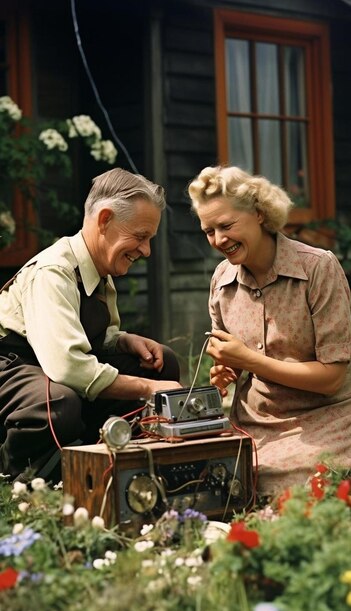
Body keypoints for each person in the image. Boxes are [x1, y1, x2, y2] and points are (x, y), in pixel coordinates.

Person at [0, 167, 182, 482]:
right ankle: (18, 471)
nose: (147, 251)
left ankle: (125, 462)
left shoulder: (100, 270)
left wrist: (123, 340)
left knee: (161, 363)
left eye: (149, 239)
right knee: (58, 404)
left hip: (50, 366)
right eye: (140, 236)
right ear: (105, 220)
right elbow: (68, 367)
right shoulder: (54, 271)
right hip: (13, 365)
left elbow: (93, 338)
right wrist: (147, 389)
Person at [188, 164, 351, 496]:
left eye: (227, 225)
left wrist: (249, 360)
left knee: (304, 480)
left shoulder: (318, 268)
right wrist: (225, 371)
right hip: (253, 425)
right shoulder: (222, 281)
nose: (219, 240)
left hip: (327, 418)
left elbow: (333, 377)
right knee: (203, 475)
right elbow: (232, 364)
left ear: (259, 214)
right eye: (208, 231)